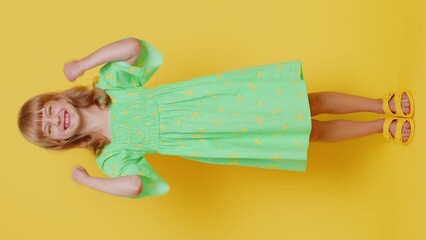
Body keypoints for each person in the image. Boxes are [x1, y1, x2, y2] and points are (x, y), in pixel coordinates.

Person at [18, 37, 415, 199]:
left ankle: (380, 103)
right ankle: (380, 127)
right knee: (305, 133)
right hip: (216, 138)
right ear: (57, 142)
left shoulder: (110, 87)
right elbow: (136, 185)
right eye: (51, 128)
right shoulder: (109, 155)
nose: (58, 121)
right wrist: (91, 182)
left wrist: (82, 63)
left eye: (51, 111)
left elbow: (133, 46)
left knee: (305, 101)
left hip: (218, 98)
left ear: (59, 99)